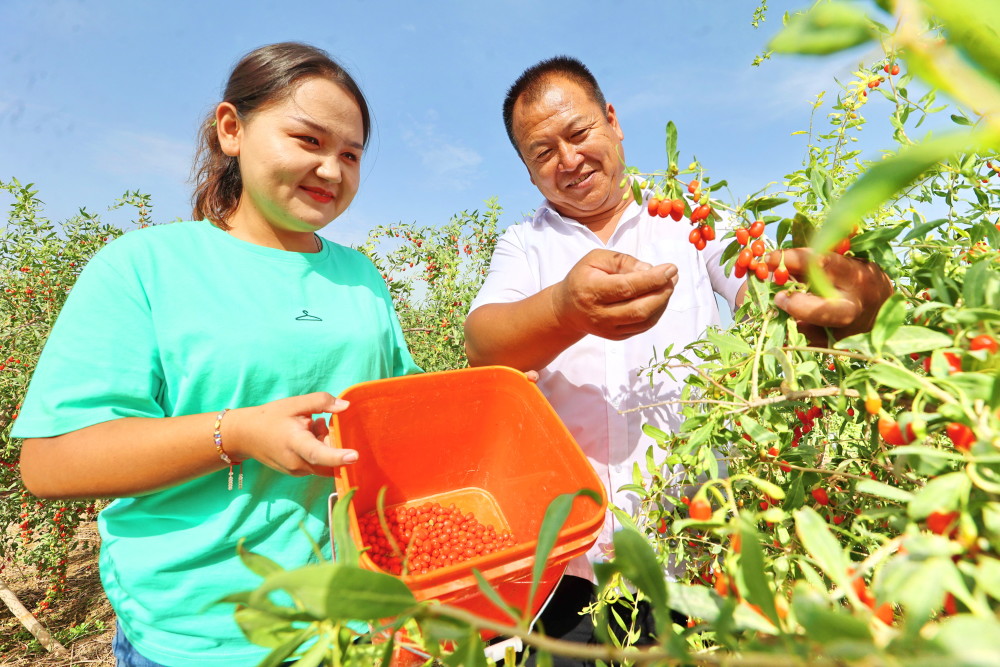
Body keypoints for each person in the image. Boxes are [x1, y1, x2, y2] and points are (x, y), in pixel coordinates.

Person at [465, 56, 892, 659]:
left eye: (579, 133)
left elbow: (765, 285)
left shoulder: (692, 217)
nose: (568, 159)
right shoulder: (523, 245)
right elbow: (483, 343)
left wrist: (840, 300)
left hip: (690, 546)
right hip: (566, 568)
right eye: (542, 152)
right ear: (529, 172)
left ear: (613, 122)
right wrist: (566, 309)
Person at [12, 42, 420, 667]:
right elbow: (50, 461)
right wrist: (238, 433)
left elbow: (396, 410)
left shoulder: (360, 277)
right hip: (199, 634)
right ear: (232, 129)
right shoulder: (144, 267)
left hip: (354, 621)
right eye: (308, 140)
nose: (332, 171)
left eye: (351, 154)